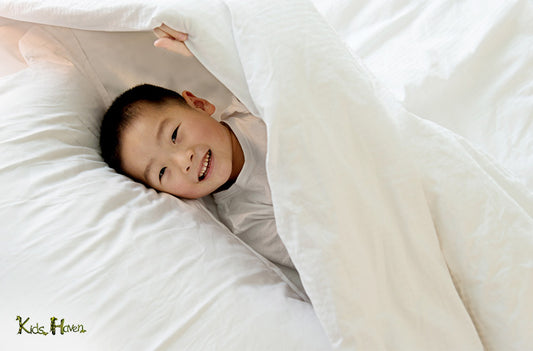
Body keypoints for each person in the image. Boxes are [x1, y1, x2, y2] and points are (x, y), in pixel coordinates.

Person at [99, 24, 297, 276]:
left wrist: (204, 39)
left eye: (174, 135)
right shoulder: (247, 219)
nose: (184, 160)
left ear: (198, 104)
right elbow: (323, 249)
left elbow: (272, 53)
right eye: (161, 172)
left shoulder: (250, 102)